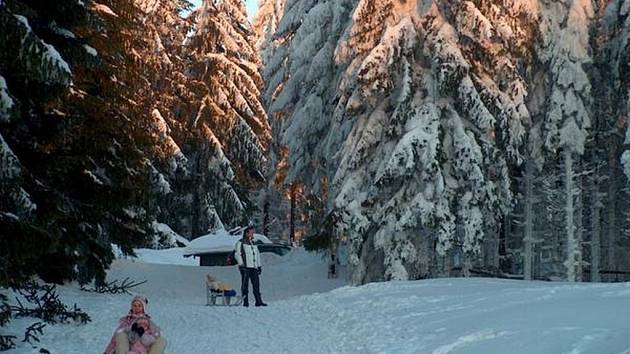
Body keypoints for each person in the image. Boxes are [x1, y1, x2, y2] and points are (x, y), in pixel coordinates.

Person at [234, 226, 267, 307]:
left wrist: (259, 266)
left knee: (256, 284)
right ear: (247, 233)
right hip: (245, 267)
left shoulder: (254, 243)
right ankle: (245, 301)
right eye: (251, 232)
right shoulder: (240, 242)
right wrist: (241, 264)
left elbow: (257, 255)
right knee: (245, 285)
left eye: (253, 232)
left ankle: (258, 301)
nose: (253, 234)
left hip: (254, 267)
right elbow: (237, 254)